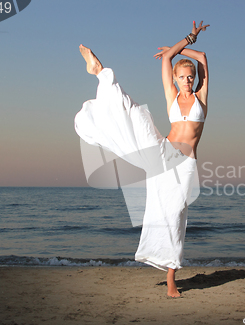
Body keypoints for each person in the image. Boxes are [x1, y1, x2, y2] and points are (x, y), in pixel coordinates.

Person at [75, 21, 209, 298]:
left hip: (185, 166)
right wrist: (179, 46)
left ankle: (171, 275)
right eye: (182, 77)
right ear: (174, 79)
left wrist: (189, 42)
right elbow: (169, 59)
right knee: (134, 114)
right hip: (163, 151)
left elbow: (203, 59)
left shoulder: (201, 98)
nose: (186, 80)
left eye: (189, 77)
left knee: (174, 215)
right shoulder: (171, 95)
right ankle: (100, 72)